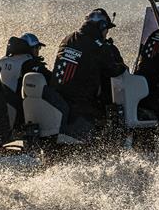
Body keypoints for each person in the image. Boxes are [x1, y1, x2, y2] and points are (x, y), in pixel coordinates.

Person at [50, 8, 127, 136]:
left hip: (58, 99)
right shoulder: (99, 46)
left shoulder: (68, 38)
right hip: (79, 105)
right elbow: (113, 71)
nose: (106, 33)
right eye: (106, 29)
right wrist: (123, 66)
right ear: (101, 26)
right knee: (110, 124)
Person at [0, 33, 51, 129]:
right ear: (29, 48)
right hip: (19, 110)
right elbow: (50, 78)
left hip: (1, 104)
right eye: (37, 48)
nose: (38, 51)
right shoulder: (28, 62)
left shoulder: (3, 60)